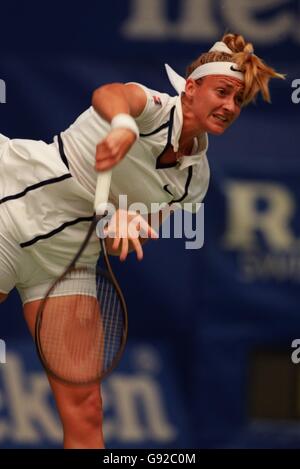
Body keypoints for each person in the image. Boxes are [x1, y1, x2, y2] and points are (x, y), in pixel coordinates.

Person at [0, 33, 284, 448]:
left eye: (237, 101)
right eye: (222, 92)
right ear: (191, 88)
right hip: (13, 207)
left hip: (66, 260)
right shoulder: (150, 108)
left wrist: (122, 226)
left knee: (85, 407)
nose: (228, 106)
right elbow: (110, 94)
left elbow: (125, 237)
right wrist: (120, 128)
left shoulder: (194, 181)